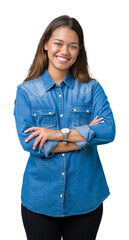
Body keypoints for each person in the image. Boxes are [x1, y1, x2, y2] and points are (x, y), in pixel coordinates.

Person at [13, 15, 116, 240]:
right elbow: (31, 144)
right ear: (46, 45)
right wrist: (85, 136)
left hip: (86, 200)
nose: (65, 51)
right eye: (59, 43)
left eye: (73, 46)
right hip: (40, 201)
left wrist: (58, 134)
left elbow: (108, 131)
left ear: (79, 51)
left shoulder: (92, 88)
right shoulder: (26, 93)